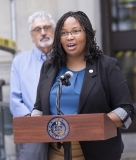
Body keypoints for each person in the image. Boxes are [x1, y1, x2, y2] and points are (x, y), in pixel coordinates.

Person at [31, 11, 135, 160]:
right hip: (55, 152)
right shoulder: (49, 67)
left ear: (87, 34)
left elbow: (127, 109)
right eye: (64, 33)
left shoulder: (106, 66)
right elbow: (38, 107)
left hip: (96, 152)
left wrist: (94, 125)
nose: (70, 37)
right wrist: (34, 120)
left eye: (76, 31)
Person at [10, 11, 56, 160]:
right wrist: (32, 120)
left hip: (64, 125)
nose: (43, 33)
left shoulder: (67, 58)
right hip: (33, 128)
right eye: (37, 29)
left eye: (47, 27)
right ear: (32, 35)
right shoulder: (19, 62)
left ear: (54, 31)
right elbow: (15, 100)